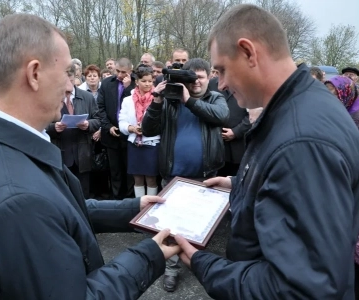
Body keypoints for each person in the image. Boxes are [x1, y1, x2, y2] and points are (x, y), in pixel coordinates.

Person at [0, 14, 180, 300]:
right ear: (34, 74)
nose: (69, 85)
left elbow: (60, 210)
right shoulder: (17, 201)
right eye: (66, 73)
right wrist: (150, 255)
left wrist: (135, 208)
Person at [174, 4, 359, 299]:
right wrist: (239, 185)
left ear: (248, 52)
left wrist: (204, 264)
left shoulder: (302, 142)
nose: (219, 84)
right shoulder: (302, 105)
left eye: (221, 70)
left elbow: (301, 288)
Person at [142, 58, 228, 292]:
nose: (197, 81)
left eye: (201, 77)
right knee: (171, 227)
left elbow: (220, 116)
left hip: (205, 177)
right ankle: (171, 270)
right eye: (192, 77)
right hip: (173, 178)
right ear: (185, 79)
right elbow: (148, 129)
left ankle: (200, 267)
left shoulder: (214, 98)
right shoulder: (170, 101)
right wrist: (157, 101)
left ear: (209, 77)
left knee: (198, 226)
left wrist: (188, 101)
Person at [46, 63, 100, 199]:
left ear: (74, 77)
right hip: (60, 153)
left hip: (83, 154)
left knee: (84, 195)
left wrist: (88, 124)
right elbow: (41, 124)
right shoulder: (51, 98)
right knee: (64, 195)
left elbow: (98, 120)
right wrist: (54, 127)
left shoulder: (86, 97)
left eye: (70, 79)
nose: (67, 83)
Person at [119, 64, 160, 197]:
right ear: (136, 81)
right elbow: (122, 121)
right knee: (137, 178)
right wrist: (131, 128)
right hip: (134, 143)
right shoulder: (127, 100)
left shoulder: (158, 98)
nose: (147, 84)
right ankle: (140, 206)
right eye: (143, 81)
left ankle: (151, 206)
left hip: (152, 143)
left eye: (150, 81)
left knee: (151, 178)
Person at [98, 58, 136, 199]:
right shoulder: (107, 83)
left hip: (130, 135)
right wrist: (108, 126)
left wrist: (128, 89)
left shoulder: (135, 84)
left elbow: (132, 107)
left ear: (130, 71)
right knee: (114, 171)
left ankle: (130, 199)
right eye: (117, 71)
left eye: (123, 72)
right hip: (111, 134)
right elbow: (100, 108)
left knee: (130, 171)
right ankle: (116, 199)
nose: (120, 75)